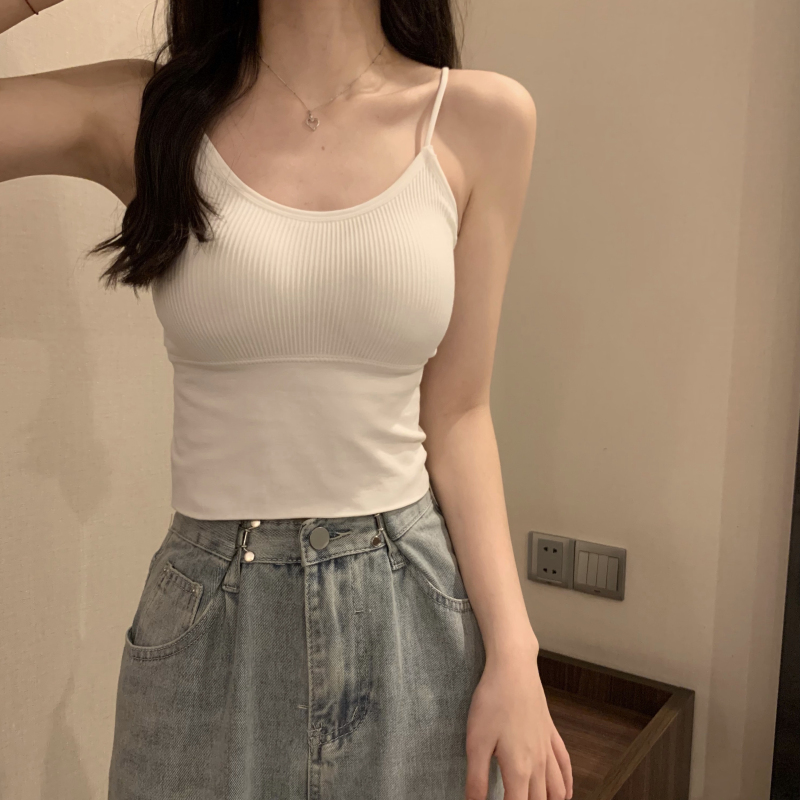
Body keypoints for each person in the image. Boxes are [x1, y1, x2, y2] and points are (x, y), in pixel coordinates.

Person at [0, 0, 572, 798]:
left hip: (414, 614)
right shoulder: (148, 114)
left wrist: (515, 653)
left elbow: (459, 414)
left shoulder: (480, 118)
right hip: (209, 620)